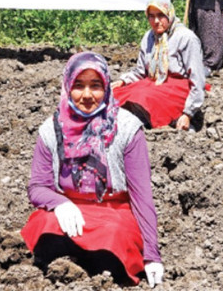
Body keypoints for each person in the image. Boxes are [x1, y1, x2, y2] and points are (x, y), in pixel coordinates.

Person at [21, 52, 163, 287]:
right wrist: (60, 204)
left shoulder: (127, 129)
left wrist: (152, 255)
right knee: (45, 229)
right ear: (67, 87)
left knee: (113, 239)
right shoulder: (51, 129)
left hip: (113, 212)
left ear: (106, 87)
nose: (87, 95)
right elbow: (37, 187)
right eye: (78, 86)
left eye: (95, 86)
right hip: (69, 213)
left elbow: (142, 196)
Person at [112, 0, 205, 131]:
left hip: (179, 87)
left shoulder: (186, 38)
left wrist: (188, 113)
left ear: (169, 15)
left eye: (161, 15)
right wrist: (123, 81)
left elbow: (197, 78)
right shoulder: (149, 37)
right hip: (154, 82)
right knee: (116, 94)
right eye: (151, 16)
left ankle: (173, 121)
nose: (156, 21)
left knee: (142, 97)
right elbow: (140, 71)